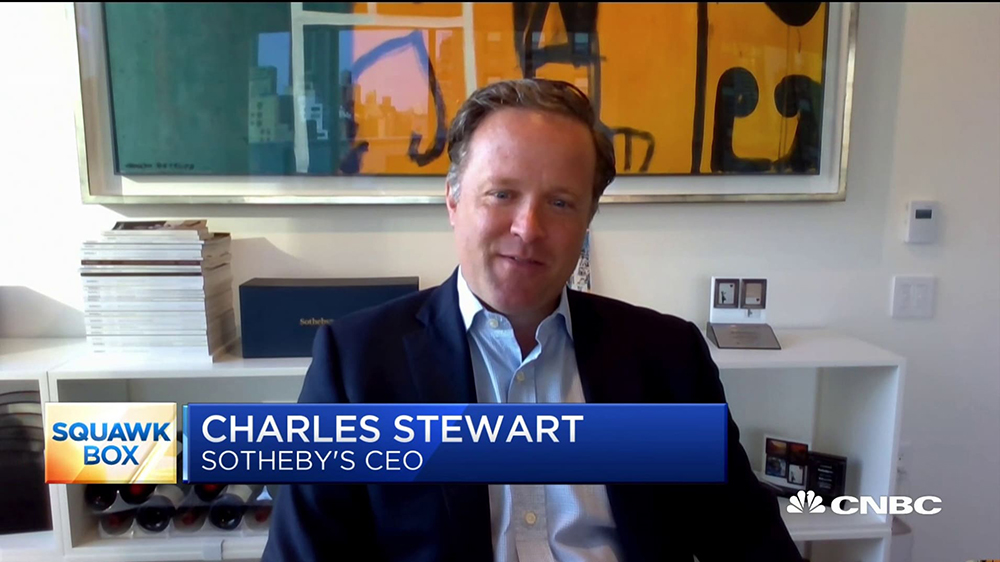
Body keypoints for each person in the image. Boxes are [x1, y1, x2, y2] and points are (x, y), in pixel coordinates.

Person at [263, 79, 803, 562]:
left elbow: (749, 541)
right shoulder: (356, 365)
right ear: (453, 200)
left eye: (561, 203)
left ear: (588, 218)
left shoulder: (667, 357)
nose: (528, 228)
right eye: (502, 194)